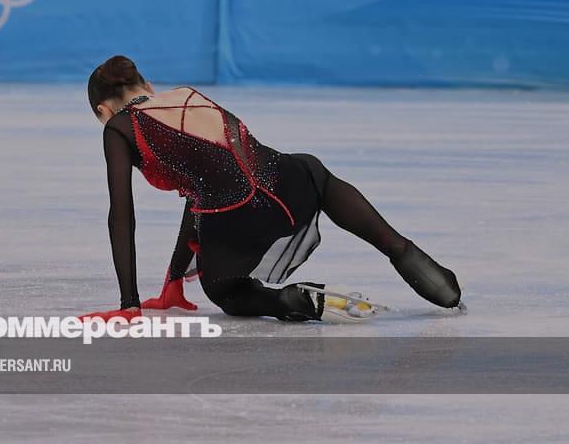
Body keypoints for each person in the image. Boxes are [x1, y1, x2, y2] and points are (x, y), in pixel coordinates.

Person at [81, 55, 461, 323]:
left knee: (224, 291)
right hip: (290, 185)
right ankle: (408, 256)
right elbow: (202, 187)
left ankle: (290, 300)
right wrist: (173, 283)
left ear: (102, 111)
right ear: (147, 86)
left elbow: (122, 215)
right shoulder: (186, 94)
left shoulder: (119, 128)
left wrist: (130, 305)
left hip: (237, 222)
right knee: (315, 172)